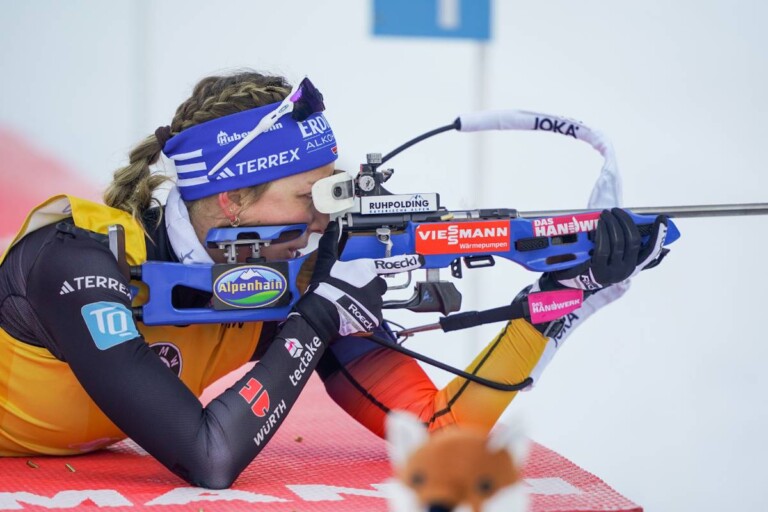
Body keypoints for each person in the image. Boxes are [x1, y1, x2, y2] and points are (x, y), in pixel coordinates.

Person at [0, 70, 670, 489]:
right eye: (309, 197)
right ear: (232, 199)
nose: (326, 219)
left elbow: (440, 431)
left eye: (335, 190)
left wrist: (558, 299)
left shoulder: (288, 270)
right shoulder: (77, 262)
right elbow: (208, 458)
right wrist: (320, 313)